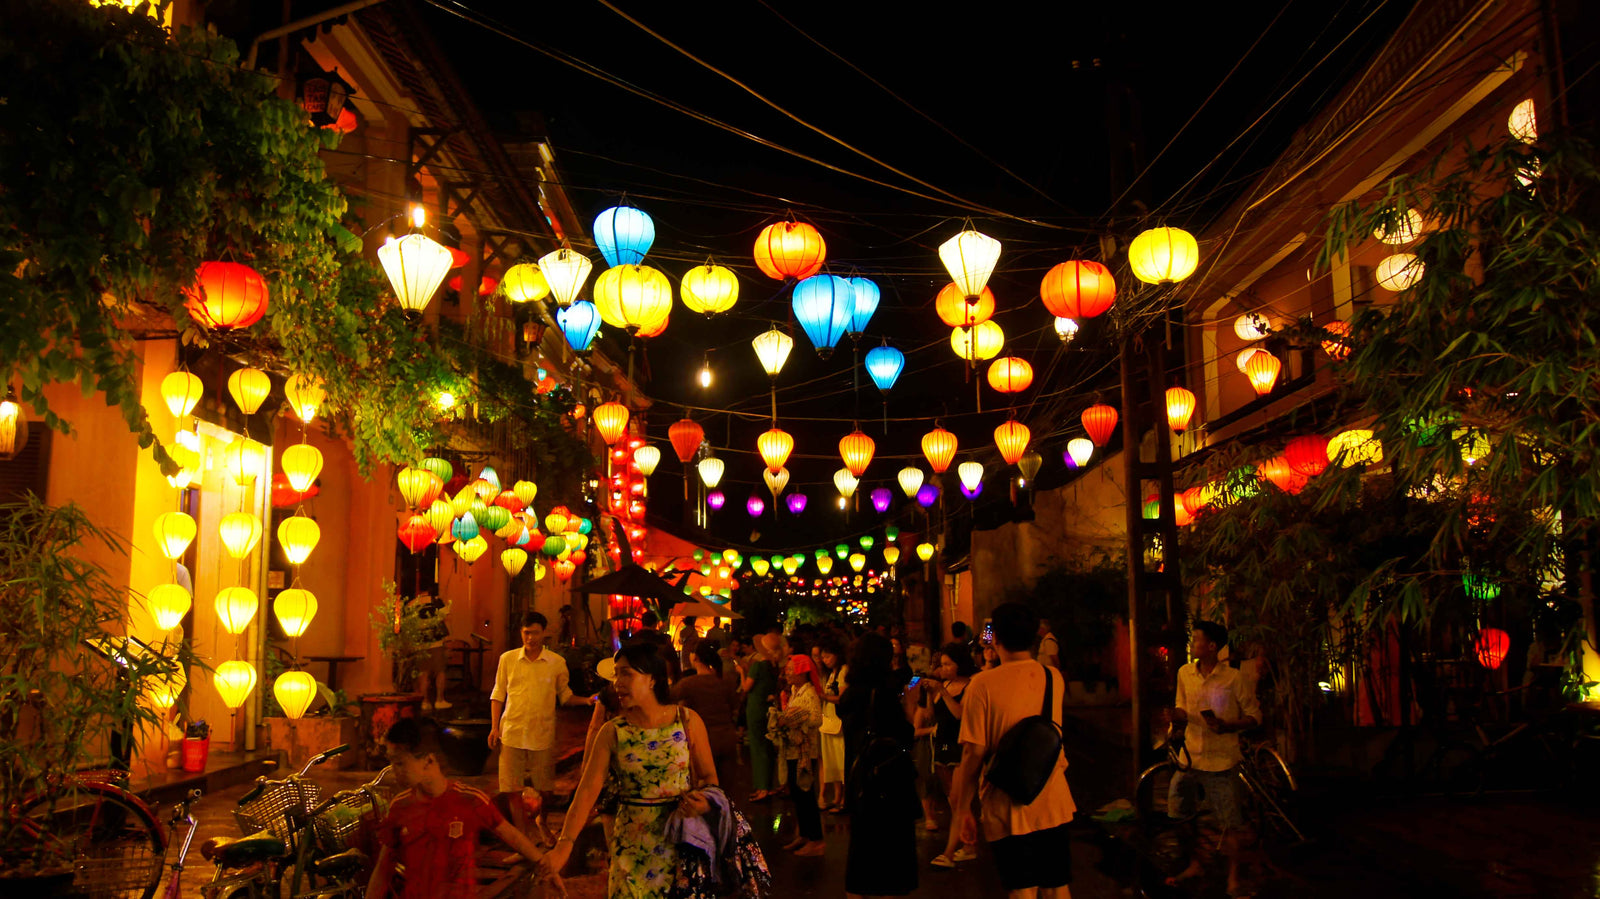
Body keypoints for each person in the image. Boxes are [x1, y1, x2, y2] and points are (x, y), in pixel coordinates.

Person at [537, 642, 720, 898]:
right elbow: (587, 791)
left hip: (681, 842)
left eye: (626, 674)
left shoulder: (688, 721)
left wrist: (703, 803)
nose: (617, 683)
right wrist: (563, 846)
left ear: (652, 680)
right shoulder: (613, 731)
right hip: (630, 848)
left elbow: (710, 779)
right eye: (616, 674)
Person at [943, 602, 1076, 899]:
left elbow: (973, 753)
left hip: (1005, 801)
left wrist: (962, 807)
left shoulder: (982, 685)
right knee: (1057, 886)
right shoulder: (1052, 677)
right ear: (1034, 638)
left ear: (996, 639)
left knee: (1021, 890)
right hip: (1052, 796)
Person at [366, 717, 549, 899]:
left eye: (400, 763)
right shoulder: (400, 807)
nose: (393, 770)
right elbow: (383, 869)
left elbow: (511, 835)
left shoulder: (469, 800)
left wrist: (546, 867)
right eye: (391, 762)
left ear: (428, 760)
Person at [1163, 620, 1261, 897]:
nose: (1192, 645)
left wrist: (1229, 725)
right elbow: (1183, 706)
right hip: (1190, 757)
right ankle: (1196, 864)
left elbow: (1255, 716)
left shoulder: (1233, 678)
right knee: (1180, 813)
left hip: (1221, 761)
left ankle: (1233, 879)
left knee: (1230, 822)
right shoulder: (1185, 673)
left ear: (1212, 646)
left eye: (1196, 640)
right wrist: (1176, 717)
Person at [490, 612, 595, 846]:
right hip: (512, 732)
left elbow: (565, 696)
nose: (530, 638)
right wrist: (494, 727)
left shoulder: (556, 663)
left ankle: (542, 822)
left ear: (544, 633)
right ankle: (522, 836)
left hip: (542, 733)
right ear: (521, 633)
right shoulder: (507, 659)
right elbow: (498, 694)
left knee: (545, 788)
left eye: (535, 632)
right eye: (526, 633)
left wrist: (586, 701)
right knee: (512, 788)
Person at [838, 632, 919, 898]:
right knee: (892, 860)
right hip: (890, 785)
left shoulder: (850, 695)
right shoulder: (883, 694)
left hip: (861, 780)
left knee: (862, 853)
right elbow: (905, 741)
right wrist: (910, 709)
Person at [769, 654, 826, 856]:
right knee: (796, 793)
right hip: (793, 750)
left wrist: (795, 719)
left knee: (806, 794)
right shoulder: (794, 691)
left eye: (792, 669)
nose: (788, 673)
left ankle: (816, 840)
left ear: (802, 672)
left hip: (805, 752)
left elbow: (817, 719)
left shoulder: (809, 693)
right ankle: (804, 834)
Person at [929, 642, 980, 868]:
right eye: (942, 664)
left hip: (961, 745)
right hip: (942, 744)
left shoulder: (970, 686)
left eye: (948, 664)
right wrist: (930, 694)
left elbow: (960, 715)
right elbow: (933, 715)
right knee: (953, 800)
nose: (944, 668)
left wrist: (941, 691)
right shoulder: (945, 684)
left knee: (961, 800)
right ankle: (969, 844)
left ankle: (952, 851)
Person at [672, 641, 741, 778]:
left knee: (707, 786)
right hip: (727, 738)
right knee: (726, 787)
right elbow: (735, 707)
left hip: (704, 740)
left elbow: (669, 701)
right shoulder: (725, 681)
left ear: (695, 658)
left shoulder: (687, 684)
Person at [741, 631, 782, 802]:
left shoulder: (757, 666)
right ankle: (769, 785)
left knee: (757, 748)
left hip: (756, 708)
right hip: (768, 709)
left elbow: (746, 687)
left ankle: (762, 787)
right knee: (767, 747)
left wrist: (741, 672)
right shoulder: (774, 667)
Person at [817, 641, 849, 813]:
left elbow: (841, 697)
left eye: (828, 656)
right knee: (832, 761)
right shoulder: (832, 673)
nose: (825, 660)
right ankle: (837, 796)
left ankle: (844, 798)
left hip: (837, 722)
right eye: (823, 657)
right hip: (828, 721)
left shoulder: (843, 671)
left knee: (840, 759)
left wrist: (823, 696)